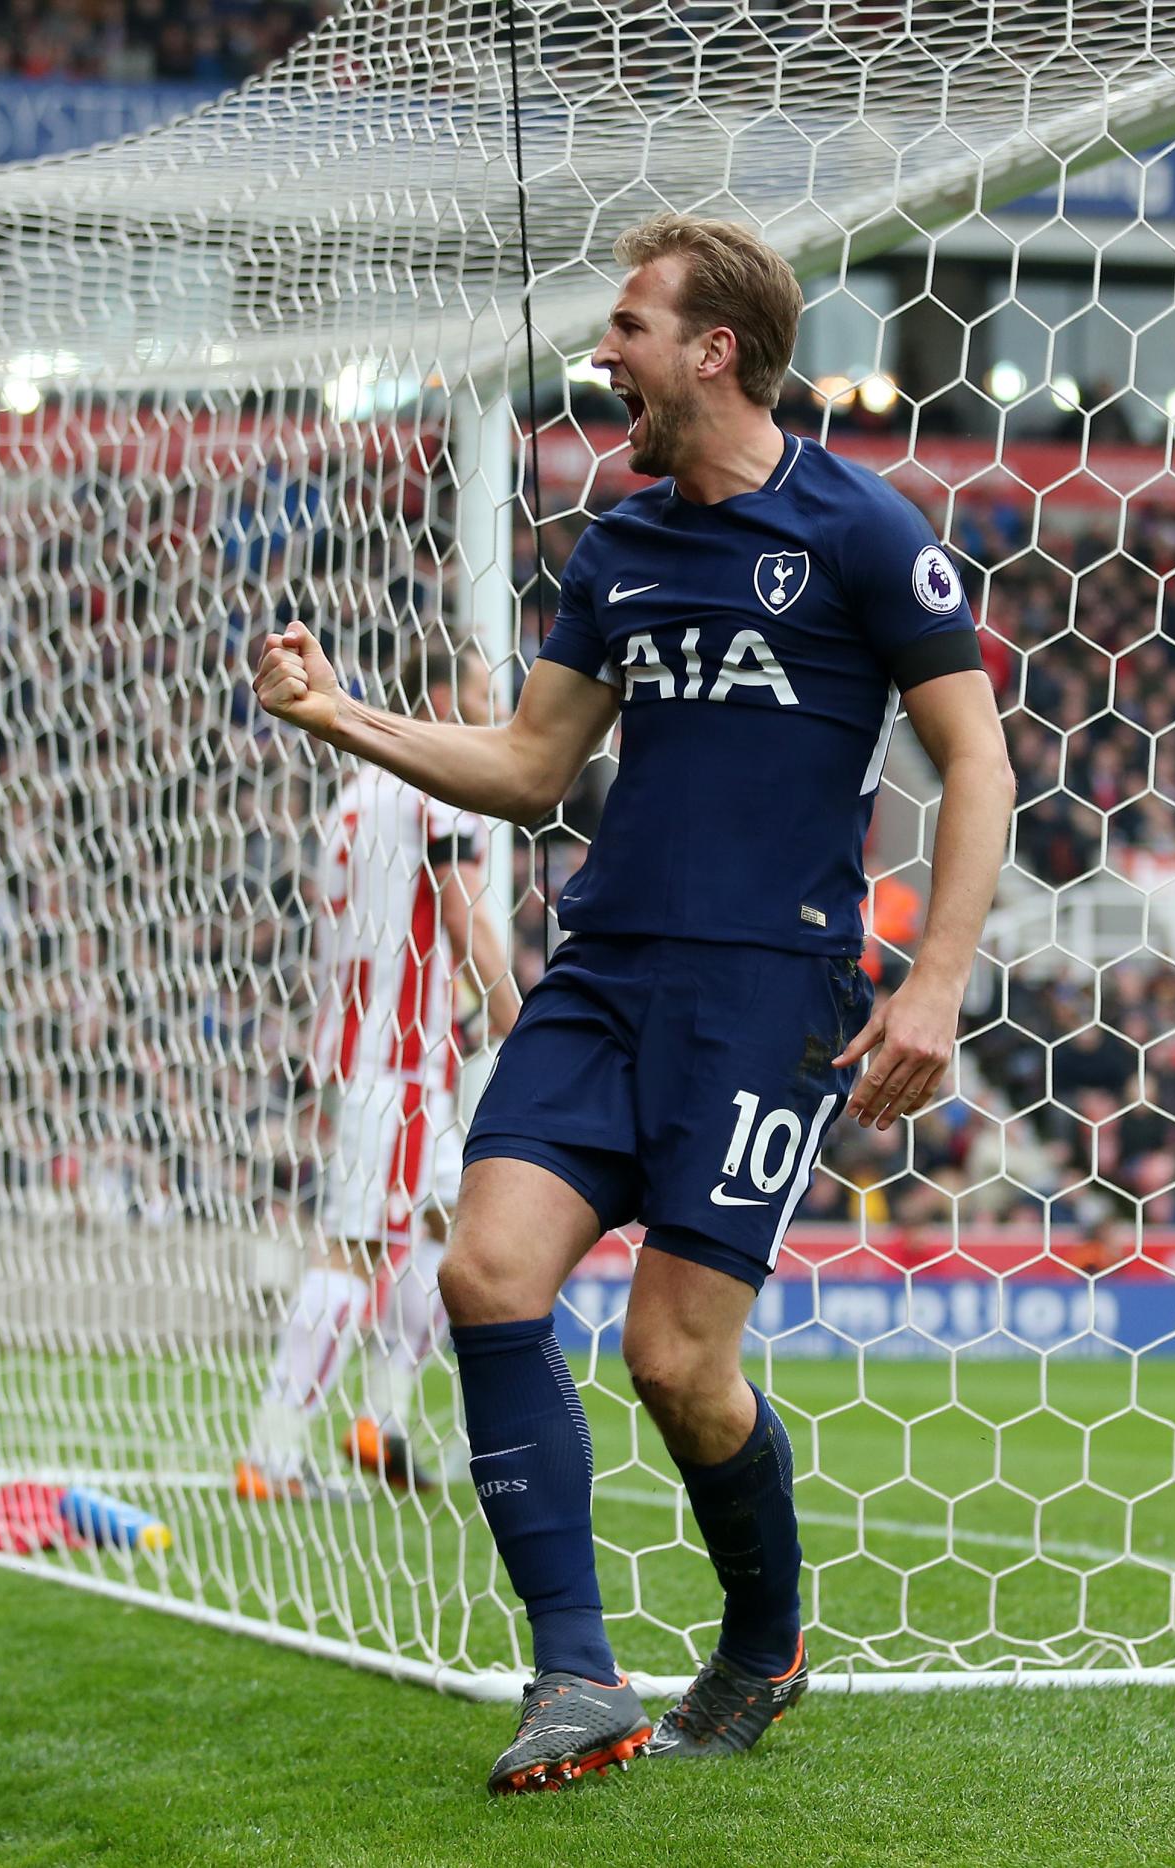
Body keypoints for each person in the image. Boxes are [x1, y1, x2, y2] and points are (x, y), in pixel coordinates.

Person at [255, 212, 1014, 1793]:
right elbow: (532, 770)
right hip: (601, 979)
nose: (604, 352)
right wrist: (344, 719)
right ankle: (576, 1675)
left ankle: (763, 1639)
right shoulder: (619, 545)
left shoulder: (866, 533)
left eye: (628, 324)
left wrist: (934, 982)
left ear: (713, 348)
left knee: (677, 1360)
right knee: (485, 1272)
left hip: (769, 995)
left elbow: (978, 761)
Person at [239, 638, 521, 1504]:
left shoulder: (356, 791)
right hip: (395, 1059)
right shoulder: (438, 783)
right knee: (357, 1250)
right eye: (480, 688)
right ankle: (274, 1452)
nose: (491, 706)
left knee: (449, 1231)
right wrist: (520, 1014)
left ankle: (381, 1424)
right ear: (440, 691)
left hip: (377, 1049)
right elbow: (464, 912)